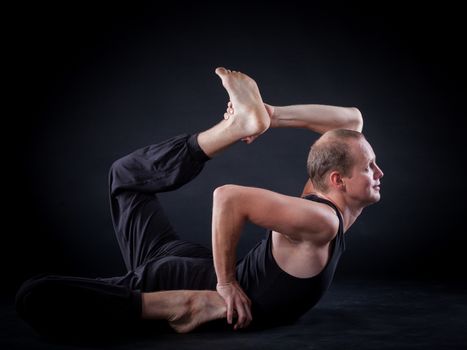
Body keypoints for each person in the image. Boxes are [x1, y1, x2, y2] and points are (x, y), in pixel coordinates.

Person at [15, 67, 383, 337]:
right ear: (338, 180)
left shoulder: (321, 211)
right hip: (191, 278)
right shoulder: (323, 220)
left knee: (38, 294)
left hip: (186, 273)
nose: (379, 173)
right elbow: (228, 197)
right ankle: (180, 304)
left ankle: (237, 127)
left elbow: (352, 122)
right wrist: (225, 284)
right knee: (121, 180)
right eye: (370, 167)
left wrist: (272, 116)